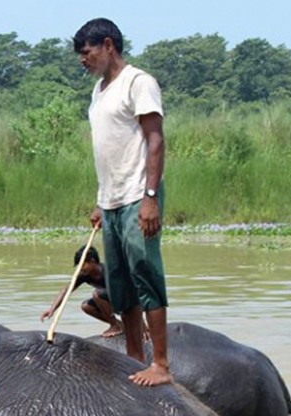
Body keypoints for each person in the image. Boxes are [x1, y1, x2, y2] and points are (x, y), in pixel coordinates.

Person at [73, 18, 172, 386]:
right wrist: (102, 201)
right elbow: (108, 151)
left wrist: (150, 198)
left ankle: (160, 363)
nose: (83, 61)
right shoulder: (99, 91)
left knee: (146, 273)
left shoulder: (138, 82)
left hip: (137, 196)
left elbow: (155, 140)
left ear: (108, 45)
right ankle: (133, 358)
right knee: (121, 285)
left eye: (87, 53)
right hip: (112, 200)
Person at [40, 245, 124, 338]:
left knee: (97, 294)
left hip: (122, 298)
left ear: (92, 261)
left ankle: (115, 326)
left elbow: (123, 289)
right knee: (86, 306)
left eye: (82, 265)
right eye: (78, 266)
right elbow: (66, 290)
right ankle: (119, 325)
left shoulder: (107, 271)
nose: (80, 269)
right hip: (108, 300)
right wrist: (52, 309)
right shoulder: (84, 275)